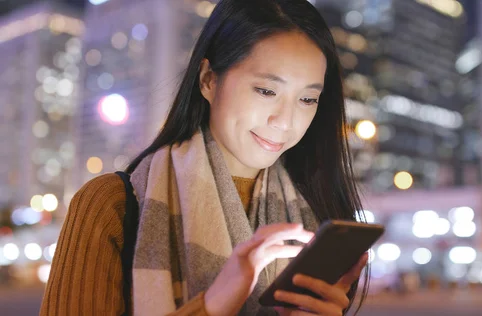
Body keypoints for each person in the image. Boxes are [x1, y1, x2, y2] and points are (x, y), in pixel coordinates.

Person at [40, 0, 370, 315]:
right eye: (266, 91)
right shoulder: (112, 205)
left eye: (308, 99)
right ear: (209, 79)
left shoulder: (314, 216)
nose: (285, 121)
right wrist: (212, 306)